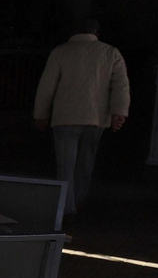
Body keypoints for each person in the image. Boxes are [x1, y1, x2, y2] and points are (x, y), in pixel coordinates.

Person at [33, 19, 130, 217]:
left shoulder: (61, 52)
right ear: (97, 33)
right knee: (86, 163)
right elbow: (120, 87)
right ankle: (79, 201)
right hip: (96, 117)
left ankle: (66, 209)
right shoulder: (111, 53)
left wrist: (40, 114)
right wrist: (118, 113)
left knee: (65, 165)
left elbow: (46, 87)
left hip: (65, 117)